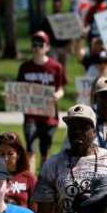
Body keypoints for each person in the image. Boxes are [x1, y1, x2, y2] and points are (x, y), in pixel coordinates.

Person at [17, 31, 67, 168]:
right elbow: (19, 89)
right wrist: (10, 97)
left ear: (47, 47)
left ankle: (43, 178)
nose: (37, 47)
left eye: (40, 44)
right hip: (31, 115)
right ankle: (31, 179)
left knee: (45, 149)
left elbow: (61, 88)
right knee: (30, 148)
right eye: (34, 44)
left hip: (49, 116)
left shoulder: (56, 67)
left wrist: (57, 95)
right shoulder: (25, 67)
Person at [0, 132, 36, 210]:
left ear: (18, 154)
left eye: (10, 154)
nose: (5, 158)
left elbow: (35, 212)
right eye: (2, 154)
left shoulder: (29, 178)